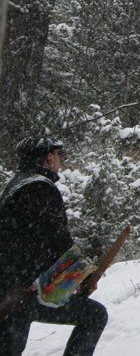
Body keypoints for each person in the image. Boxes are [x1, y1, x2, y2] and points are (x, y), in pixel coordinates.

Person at [0, 136, 108, 355]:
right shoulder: (40, 187)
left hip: (12, 291)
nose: (60, 161)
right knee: (94, 315)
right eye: (58, 155)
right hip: (18, 295)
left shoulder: (15, 186)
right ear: (49, 158)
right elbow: (56, 241)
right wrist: (83, 277)